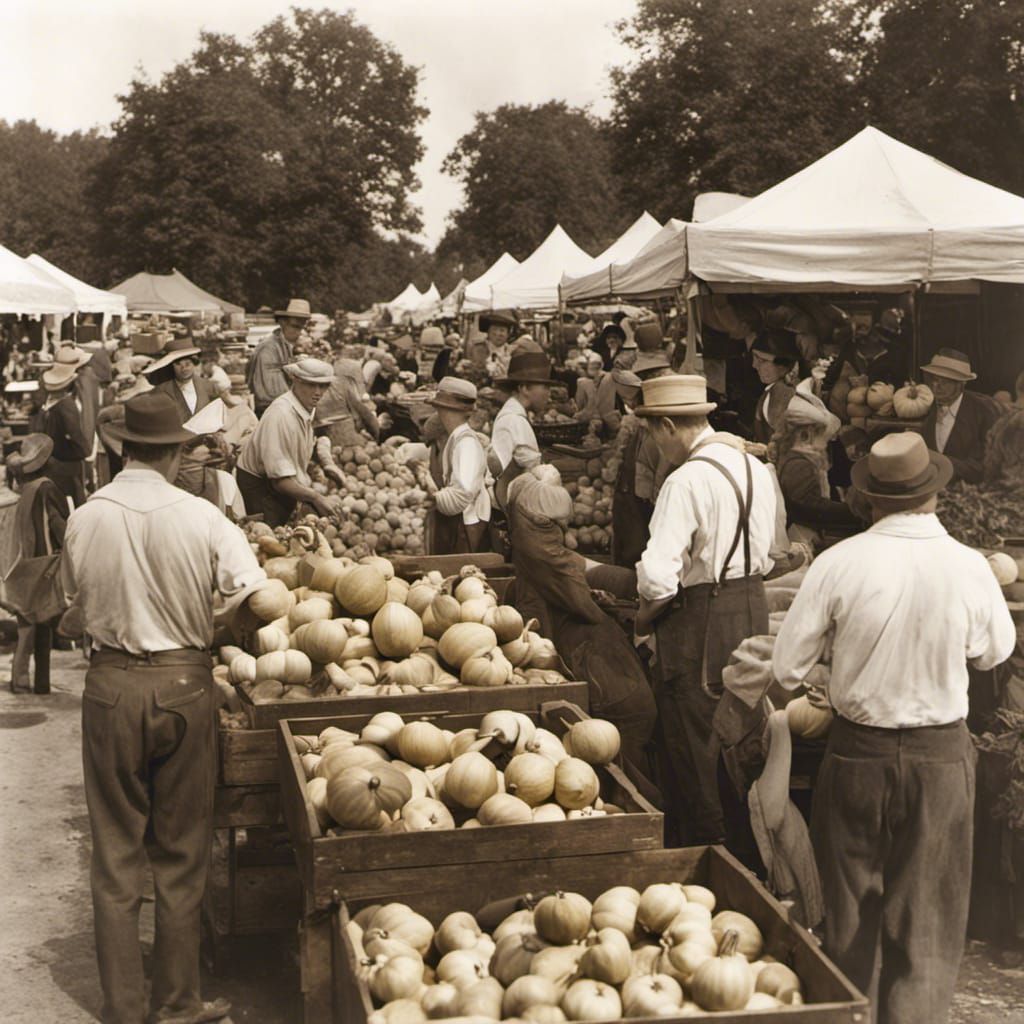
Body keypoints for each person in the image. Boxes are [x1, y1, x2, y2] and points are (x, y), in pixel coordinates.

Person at [772, 432, 1015, 1024]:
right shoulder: (968, 566)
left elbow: (786, 666)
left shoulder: (838, 564)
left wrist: (840, 653)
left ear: (870, 500)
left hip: (857, 754)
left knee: (850, 913)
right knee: (929, 920)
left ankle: (849, 1015)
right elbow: (993, 653)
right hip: (940, 757)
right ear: (932, 496)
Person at [61, 389, 270, 1024]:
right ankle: (177, 1002)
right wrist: (223, 621)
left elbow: (74, 606)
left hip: (109, 686)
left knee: (117, 852)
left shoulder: (86, 516)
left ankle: (122, 1006)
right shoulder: (203, 518)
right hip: (183, 682)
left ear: (126, 449)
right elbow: (256, 597)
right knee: (181, 852)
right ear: (177, 452)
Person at [635, 374, 776, 845]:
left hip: (701, 623)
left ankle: (710, 856)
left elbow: (658, 579)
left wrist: (642, 619)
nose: (655, 446)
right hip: (751, 608)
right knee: (744, 735)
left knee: (698, 744)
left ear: (668, 426)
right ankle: (750, 849)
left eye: (653, 434)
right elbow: (772, 550)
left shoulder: (686, 481)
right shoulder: (755, 468)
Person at [506, 465, 657, 773]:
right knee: (631, 730)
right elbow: (580, 595)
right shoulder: (545, 553)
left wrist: (625, 586)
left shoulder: (532, 541)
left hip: (589, 665)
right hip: (602, 675)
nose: (566, 529)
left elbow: (579, 571)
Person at [236, 358, 344, 526]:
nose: (318, 392)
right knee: (270, 535)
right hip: (261, 488)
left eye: (323, 386)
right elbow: (280, 482)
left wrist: (324, 463)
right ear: (296, 381)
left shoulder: (306, 406)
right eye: (311, 384)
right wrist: (316, 497)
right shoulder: (281, 415)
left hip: (282, 483)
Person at [3, 434, 68, 694]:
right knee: (38, 623)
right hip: (44, 563)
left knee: (29, 623)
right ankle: (31, 681)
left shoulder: (23, 489)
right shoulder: (47, 487)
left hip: (23, 564)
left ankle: (30, 680)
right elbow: (59, 525)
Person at [774, 382, 863, 546]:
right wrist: (854, 511)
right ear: (805, 435)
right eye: (823, 439)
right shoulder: (799, 465)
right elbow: (811, 506)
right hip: (800, 537)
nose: (825, 446)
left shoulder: (794, 457)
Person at [426, 377, 491, 555]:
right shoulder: (456, 439)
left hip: (467, 525)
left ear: (444, 409)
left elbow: (462, 495)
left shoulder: (466, 445)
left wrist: (432, 499)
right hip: (461, 522)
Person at [920, 349, 1004, 484]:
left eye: (945, 382)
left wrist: (943, 464)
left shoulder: (984, 412)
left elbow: (987, 465)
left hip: (969, 493)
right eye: (934, 379)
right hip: (930, 489)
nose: (936, 386)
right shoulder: (927, 407)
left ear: (961, 383)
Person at [489, 351, 553, 507]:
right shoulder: (514, 420)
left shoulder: (515, 416)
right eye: (544, 387)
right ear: (524, 388)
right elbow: (501, 476)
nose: (548, 394)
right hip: (514, 510)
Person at [823, 312, 907, 420]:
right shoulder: (850, 349)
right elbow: (832, 375)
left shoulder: (894, 355)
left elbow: (900, 382)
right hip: (853, 407)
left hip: (880, 408)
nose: (861, 338)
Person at [31, 360, 89, 506]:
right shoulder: (66, 404)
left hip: (52, 461)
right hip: (66, 463)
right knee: (72, 502)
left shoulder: (48, 407)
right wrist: (83, 450)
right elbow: (75, 433)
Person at [247, 298, 312, 416]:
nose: (299, 332)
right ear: (282, 322)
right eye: (295, 326)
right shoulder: (269, 348)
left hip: (280, 408)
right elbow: (271, 392)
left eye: (302, 328)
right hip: (271, 411)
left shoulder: (284, 345)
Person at [144, 337, 219, 420]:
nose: (184, 368)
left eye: (188, 363)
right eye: (178, 364)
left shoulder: (208, 386)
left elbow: (216, 414)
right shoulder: (160, 391)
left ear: (194, 363)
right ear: (171, 366)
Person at [316, 357, 380, 446]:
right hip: (342, 437)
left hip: (318, 437)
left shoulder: (320, 384)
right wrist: (376, 436)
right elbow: (366, 415)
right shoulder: (345, 383)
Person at [750, 330, 798, 444]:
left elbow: (784, 443)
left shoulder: (781, 392)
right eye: (754, 358)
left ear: (782, 366)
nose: (754, 365)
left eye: (761, 360)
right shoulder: (775, 389)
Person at [479, 310, 517, 378]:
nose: (498, 334)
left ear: (508, 334)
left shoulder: (515, 352)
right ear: (488, 332)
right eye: (494, 329)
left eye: (502, 330)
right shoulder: (477, 349)